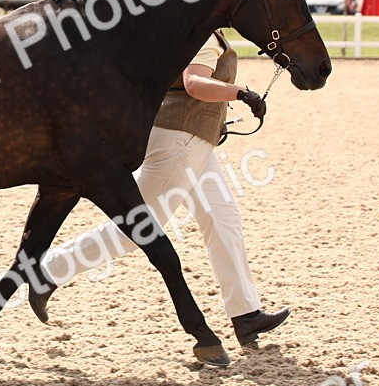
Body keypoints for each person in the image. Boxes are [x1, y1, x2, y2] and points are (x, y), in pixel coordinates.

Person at [28, 29, 290, 349]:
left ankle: (246, 313)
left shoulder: (202, 30)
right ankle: (50, 270)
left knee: (223, 221)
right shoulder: (205, 36)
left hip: (196, 142)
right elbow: (194, 83)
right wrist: (241, 93)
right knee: (138, 228)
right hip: (180, 142)